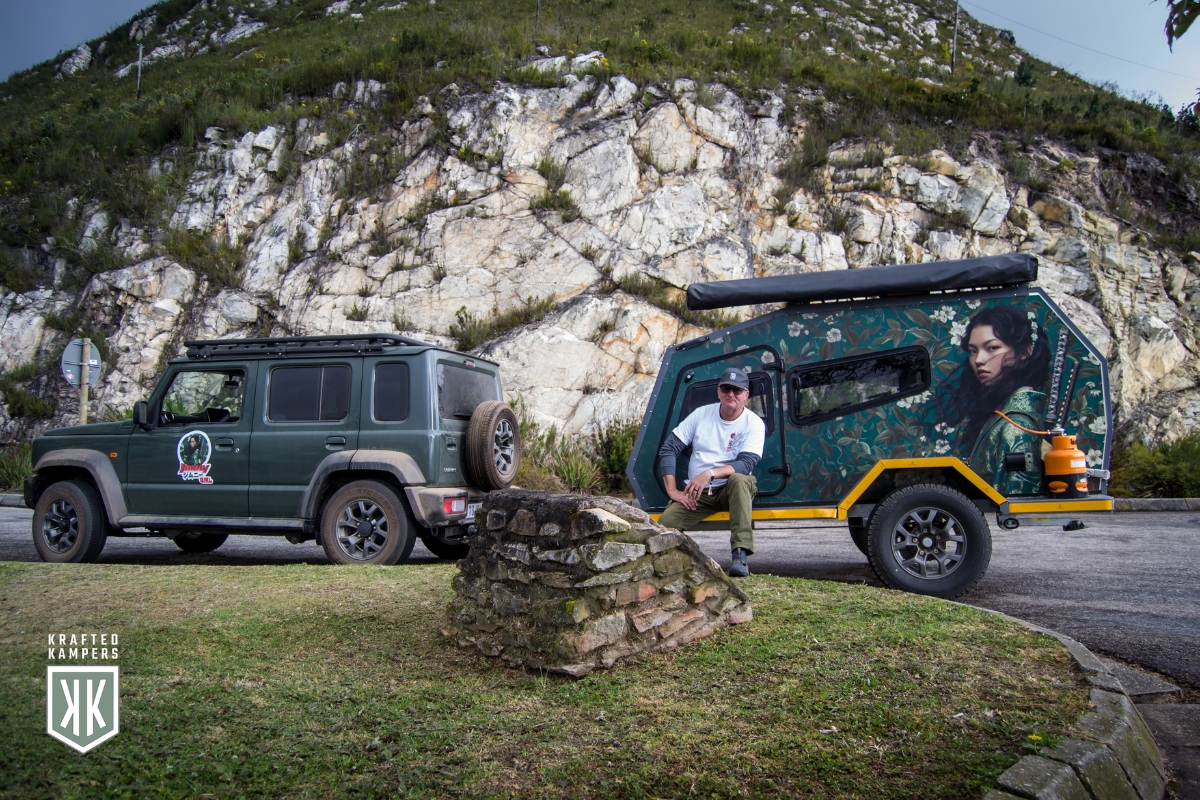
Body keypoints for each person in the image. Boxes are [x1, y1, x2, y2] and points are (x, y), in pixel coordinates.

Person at [657, 369, 766, 577]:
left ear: (746, 395)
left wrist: (709, 473)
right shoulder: (701, 414)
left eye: (737, 390)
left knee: (739, 479)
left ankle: (740, 555)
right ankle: (679, 563)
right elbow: (669, 448)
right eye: (726, 388)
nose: (731, 394)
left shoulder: (754, 423)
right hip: (699, 493)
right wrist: (672, 490)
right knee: (665, 525)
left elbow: (746, 463)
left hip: (732, 491)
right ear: (718, 392)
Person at [944, 305, 1051, 495]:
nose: (978, 360)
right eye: (973, 351)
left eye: (992, 348)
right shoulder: (1004, 413)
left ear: (1026, 351)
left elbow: (1020, 497)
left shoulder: (1017, 425)